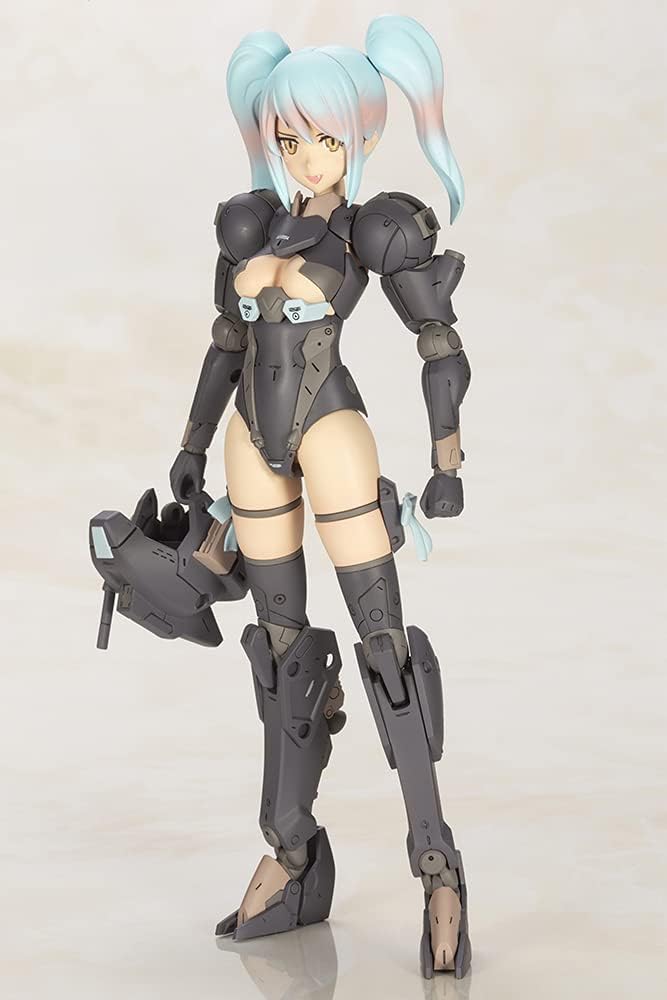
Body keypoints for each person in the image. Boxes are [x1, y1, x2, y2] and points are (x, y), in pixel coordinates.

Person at [169, 14, 472, 979]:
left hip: (331, 428)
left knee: (384, 650)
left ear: (361, 134)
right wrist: (188, 443)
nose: (305, 154)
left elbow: (438, 343)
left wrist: (446, 460)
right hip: (247, 441)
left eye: (325, 137)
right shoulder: (249, 224)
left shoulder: (373, 227)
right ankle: (294, 853)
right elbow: (226, 344)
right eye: (289, 135)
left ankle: (437, 868)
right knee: (280, 653)